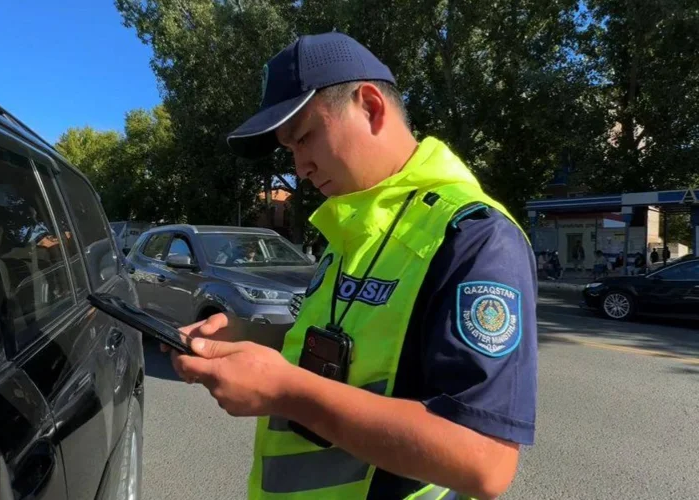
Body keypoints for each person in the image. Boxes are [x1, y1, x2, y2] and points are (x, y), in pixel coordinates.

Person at [164, 32, 537, 499]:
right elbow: (351, 347)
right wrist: (246, 337)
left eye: (304, 138)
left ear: (370, 107)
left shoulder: (474, 236)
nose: (299, 167)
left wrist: (285, 391)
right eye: (289, 149)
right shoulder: (351, 226)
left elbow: (484, 461)